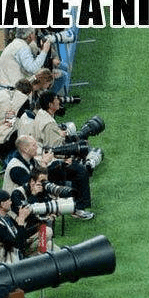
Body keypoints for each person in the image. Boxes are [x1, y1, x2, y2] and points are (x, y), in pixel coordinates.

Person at [33, 91, 95, 220]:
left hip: (39, 159)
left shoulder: (41, 114)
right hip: (49, 164)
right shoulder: (49, 124)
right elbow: (53, 150)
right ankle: (78, 208)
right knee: (80, 171)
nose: (59, 101)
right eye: (56, 99)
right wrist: (66, 158)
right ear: (50, 105)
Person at [10, 166, 61, 256]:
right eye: (42, 181)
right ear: (32, 182)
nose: (44, 184)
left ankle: (40, 253)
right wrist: (33, 195)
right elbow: (25, 215)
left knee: (57, 252)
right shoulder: (17, 194)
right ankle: (28, 254)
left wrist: (52, 214)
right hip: (22, 235)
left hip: (38, 233)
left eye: (46, 181)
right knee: (47, 232)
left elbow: (51, 208)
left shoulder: (43, 192)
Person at [0, 188, 33, 267]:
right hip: (6, 264)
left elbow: (23, 235)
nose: (11, 203)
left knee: (45, 232)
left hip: (17, 255)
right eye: (9, 201)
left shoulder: (7, 217)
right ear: (2, 204)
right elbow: (17, 244)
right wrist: (21, 221)